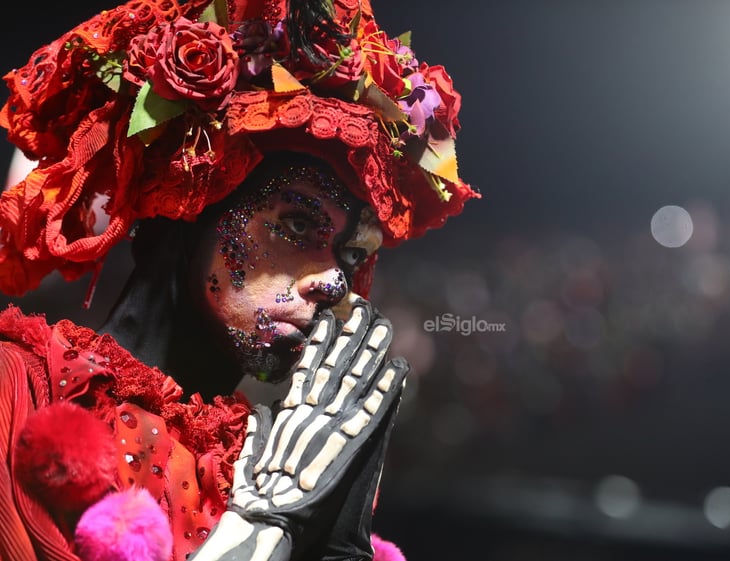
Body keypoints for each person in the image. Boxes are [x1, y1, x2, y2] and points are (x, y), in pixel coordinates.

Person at [0, 0, 479, 560]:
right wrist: (263, 522)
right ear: (186, 200)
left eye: (350, 256)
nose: (333, 282)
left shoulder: (274, 455)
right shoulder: (19, 390)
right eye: (298, 224)